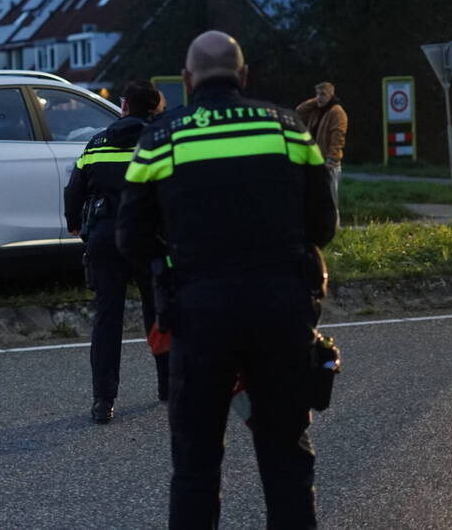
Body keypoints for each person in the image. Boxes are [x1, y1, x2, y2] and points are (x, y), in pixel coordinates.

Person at [116, 31, 337, 529]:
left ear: (188, 80)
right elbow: (324, 225)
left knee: (196, 468)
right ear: (244, 76)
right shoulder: (288, 128)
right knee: (287, 462)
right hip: (282, 310)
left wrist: (170, 266)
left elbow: (129, 237)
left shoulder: (162, 136)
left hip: (200, 316)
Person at [64, 80, 168, 424]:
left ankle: (103, 401)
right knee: (159, 312)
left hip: (106, 238)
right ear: (154, 109)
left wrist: (74, 224)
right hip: (148, 237)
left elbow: (74, 189)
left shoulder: (96, 142)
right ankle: (168, 386)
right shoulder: (158, 141)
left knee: (108, 317)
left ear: (123, 107)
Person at [296, 82, 347, 218]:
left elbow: (338, 136)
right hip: (316, 162)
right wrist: (318, 100)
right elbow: (299, 111)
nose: (319, 97)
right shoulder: (316, 110)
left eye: (323, 94)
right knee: (317, 201)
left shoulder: (337, 111)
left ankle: (335, 230)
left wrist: (332, 158)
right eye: (317, 94)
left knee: (331, 201)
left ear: (331, 95)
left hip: (329, 163)